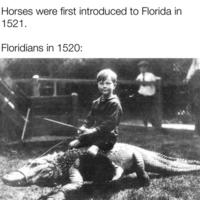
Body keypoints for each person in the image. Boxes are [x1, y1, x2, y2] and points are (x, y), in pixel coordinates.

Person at [69, 69, 123, 156]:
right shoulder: (96, 102)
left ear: (114, 85)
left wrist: (93, 130)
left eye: (108, 83)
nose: (104, 86)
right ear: (97, 84)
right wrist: (84, 126)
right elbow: (90, 118)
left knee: (91, 152)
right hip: (96, 134)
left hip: (107, 136)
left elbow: (110, 123)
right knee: (72, 145)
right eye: (101, 83)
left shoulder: (114, 103)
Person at [135, 60, 162, 131]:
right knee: (143, 110)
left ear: (147, 68)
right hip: (141, 94)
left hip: (149, 96)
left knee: (149, 110)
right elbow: (137, 83)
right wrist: (139, 83)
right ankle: (145, 125)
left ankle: (155, 125)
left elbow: (153, 82)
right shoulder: (139, 76)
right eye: (140, 67)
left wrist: (146, 83)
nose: (142, 69)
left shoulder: (150, 75)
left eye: (144, 67)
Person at [185, 58, 200, 136]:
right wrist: (188, 77)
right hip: (197, 77)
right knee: (197, 105)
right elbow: (193, 66)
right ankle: (197, 130)